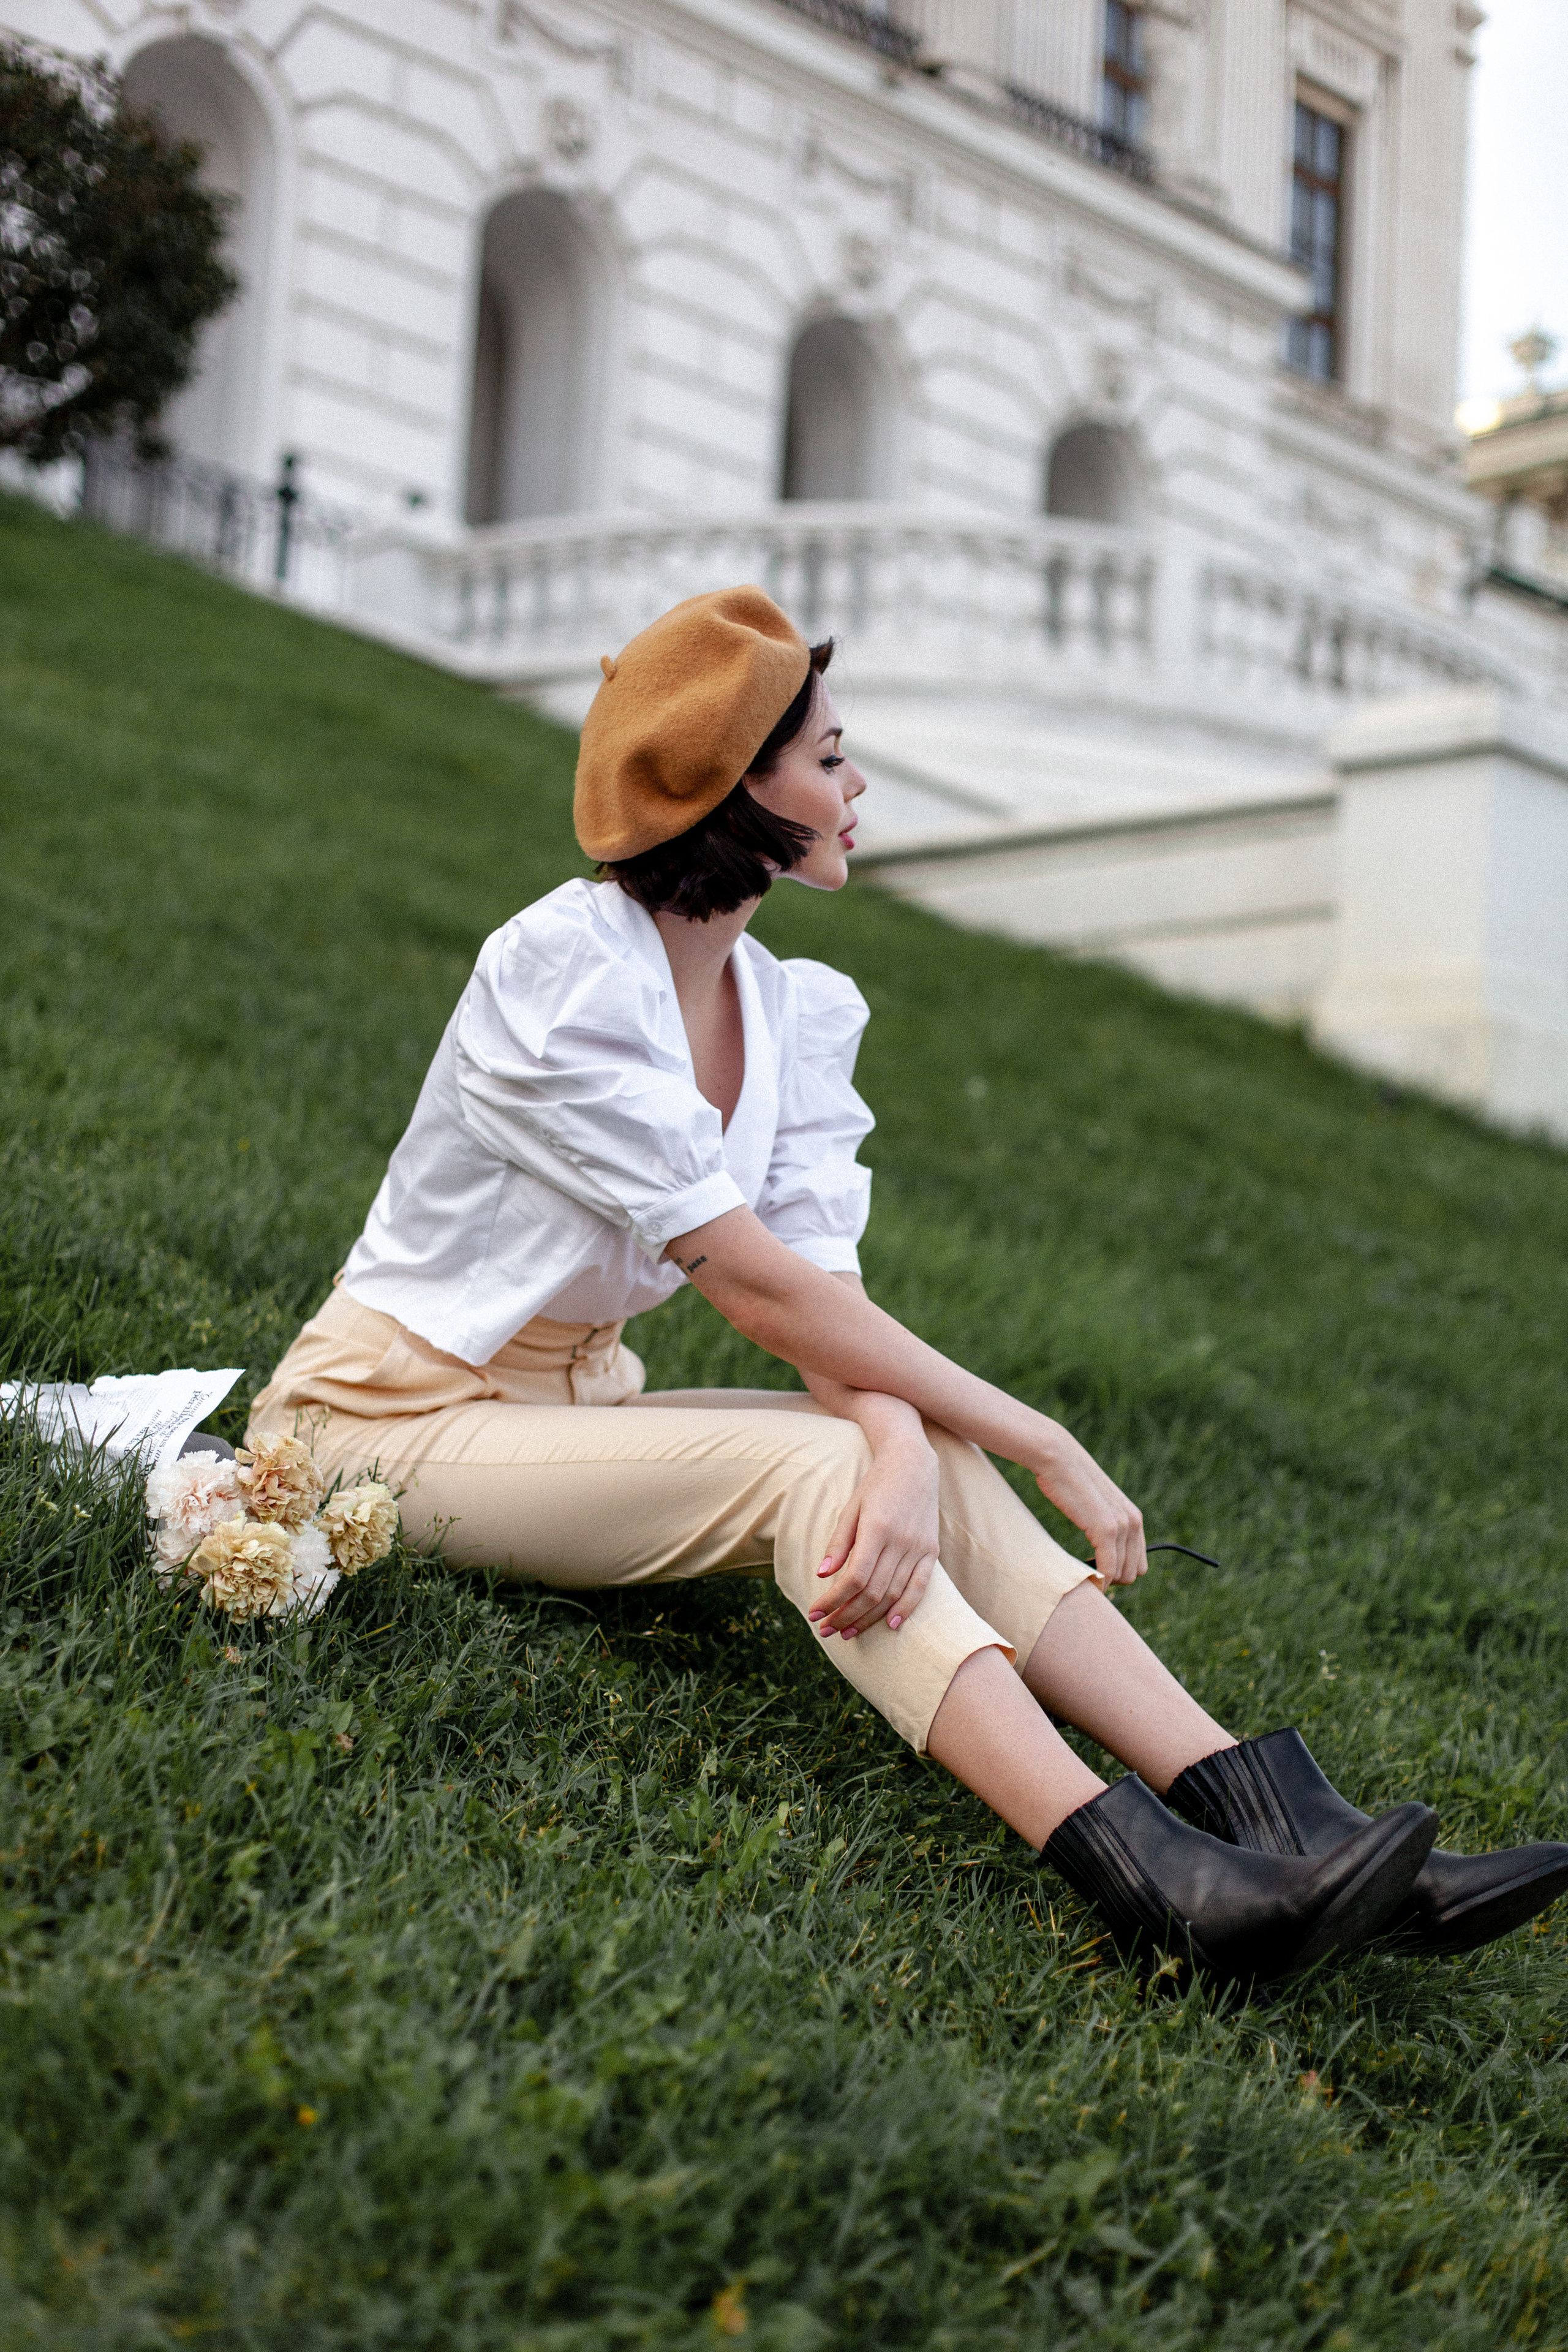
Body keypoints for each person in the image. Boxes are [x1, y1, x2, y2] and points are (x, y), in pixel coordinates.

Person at [250, 587, 1568, 1983]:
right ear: (730, 789)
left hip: (566, 1408)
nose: (855, 781)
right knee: (817, 1482)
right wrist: (1031, 1434)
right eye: (826, 758)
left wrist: (898, 1432)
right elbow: (758, 1293)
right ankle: (1160, 1890)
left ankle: (1286, 1823)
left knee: (894, 1440)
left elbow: (828, 1307)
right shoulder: (560, 978)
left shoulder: (782, 1008)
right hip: (380, 1426)